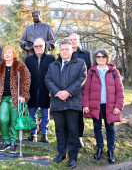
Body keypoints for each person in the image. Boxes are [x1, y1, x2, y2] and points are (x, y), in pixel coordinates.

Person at [45, 41, 87, 169]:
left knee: (73, 131)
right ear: (59, 51)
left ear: (72, 50)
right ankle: (61, 154)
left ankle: (72, 158)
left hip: (72, 103)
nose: (64, 51)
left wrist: (68, 92)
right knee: (60, 130)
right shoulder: (53, 65)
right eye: (62, 49)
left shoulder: (80, 63)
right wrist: (57, 92)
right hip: (57, 102)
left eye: (66, 49)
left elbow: (82, 79)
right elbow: (48, 80)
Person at [82, 49, 124, 164]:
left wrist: (118, 106)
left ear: (107, 58)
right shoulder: (91, 71)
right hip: (95, 105)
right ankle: (99, 148)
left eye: (103, 57)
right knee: (97, 127)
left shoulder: (114, 72)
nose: (101, 59)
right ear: (95, 58)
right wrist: (85, 104)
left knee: (110, 128)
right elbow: (86, 90)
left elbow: (120, 90)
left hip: (110, 106)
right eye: (98, 57)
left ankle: (111, 151)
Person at [0, 46, 31, 154]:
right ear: (3, 55)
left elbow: (26, 79)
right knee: (3, 119)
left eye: (9, 52)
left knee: (14, 121)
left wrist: (23, 95)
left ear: (13, 53)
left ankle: (13, 142)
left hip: (16, 98)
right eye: (5, 53)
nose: (7, 54)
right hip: (4, 98)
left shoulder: (20, 65)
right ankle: (6, 141)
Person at [24, 38, 55, 142]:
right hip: (32, 89)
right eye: (36, 46)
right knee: (32, 113)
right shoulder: (28, 59)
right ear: (33, 47)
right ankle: (33, 134)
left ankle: (44, 134)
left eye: (40, 46)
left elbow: (53, 75)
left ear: (44, 47)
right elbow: (25, 76)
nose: (38, 48)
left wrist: (52, 89)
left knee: (45, 114)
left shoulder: (51, 59)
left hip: (46, 89)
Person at [68, 33, 92, 148]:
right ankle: (69, 136)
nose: (73, 41)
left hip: (81, 89)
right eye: (70, 40)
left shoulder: (85, 54)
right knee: (68, 113)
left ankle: (79, 137)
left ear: (78, 40)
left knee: (78, 115)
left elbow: (90, 72)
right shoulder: (64, 52)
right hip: (67, 88)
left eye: (74, 39)